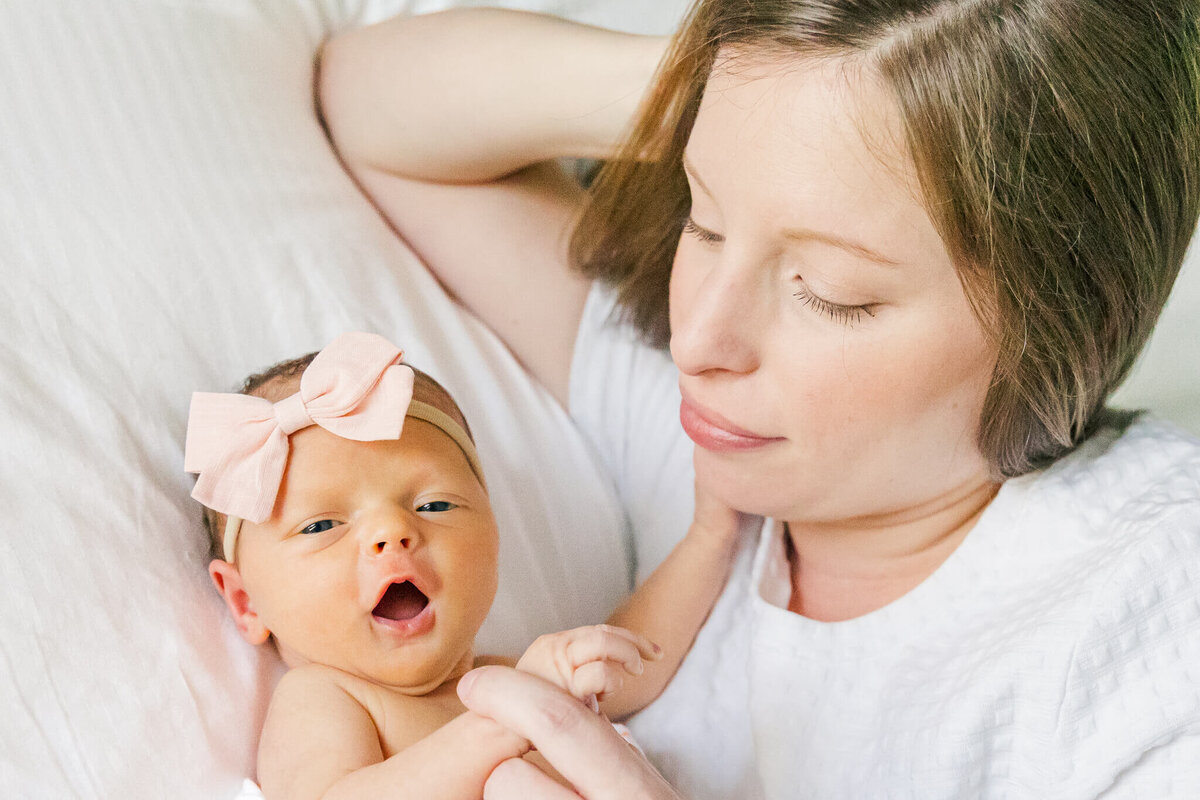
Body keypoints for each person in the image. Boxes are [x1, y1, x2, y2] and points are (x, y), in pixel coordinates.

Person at [317, 2, 1200, 798]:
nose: (699, 341)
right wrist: (754, 100)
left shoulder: (1155, 607)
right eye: (705, 220)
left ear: (1065, 312)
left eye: (830, 291)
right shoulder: (707, 446)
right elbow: (369, 105)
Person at [185, 331, 740, 800]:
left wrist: (712, 534)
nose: (392, 532)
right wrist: (516, 713)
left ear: (495, 534)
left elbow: (637, 654)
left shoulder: (507, 672)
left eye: (434, 505)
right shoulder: (325, 698)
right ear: (245, 601)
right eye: (322, 526)